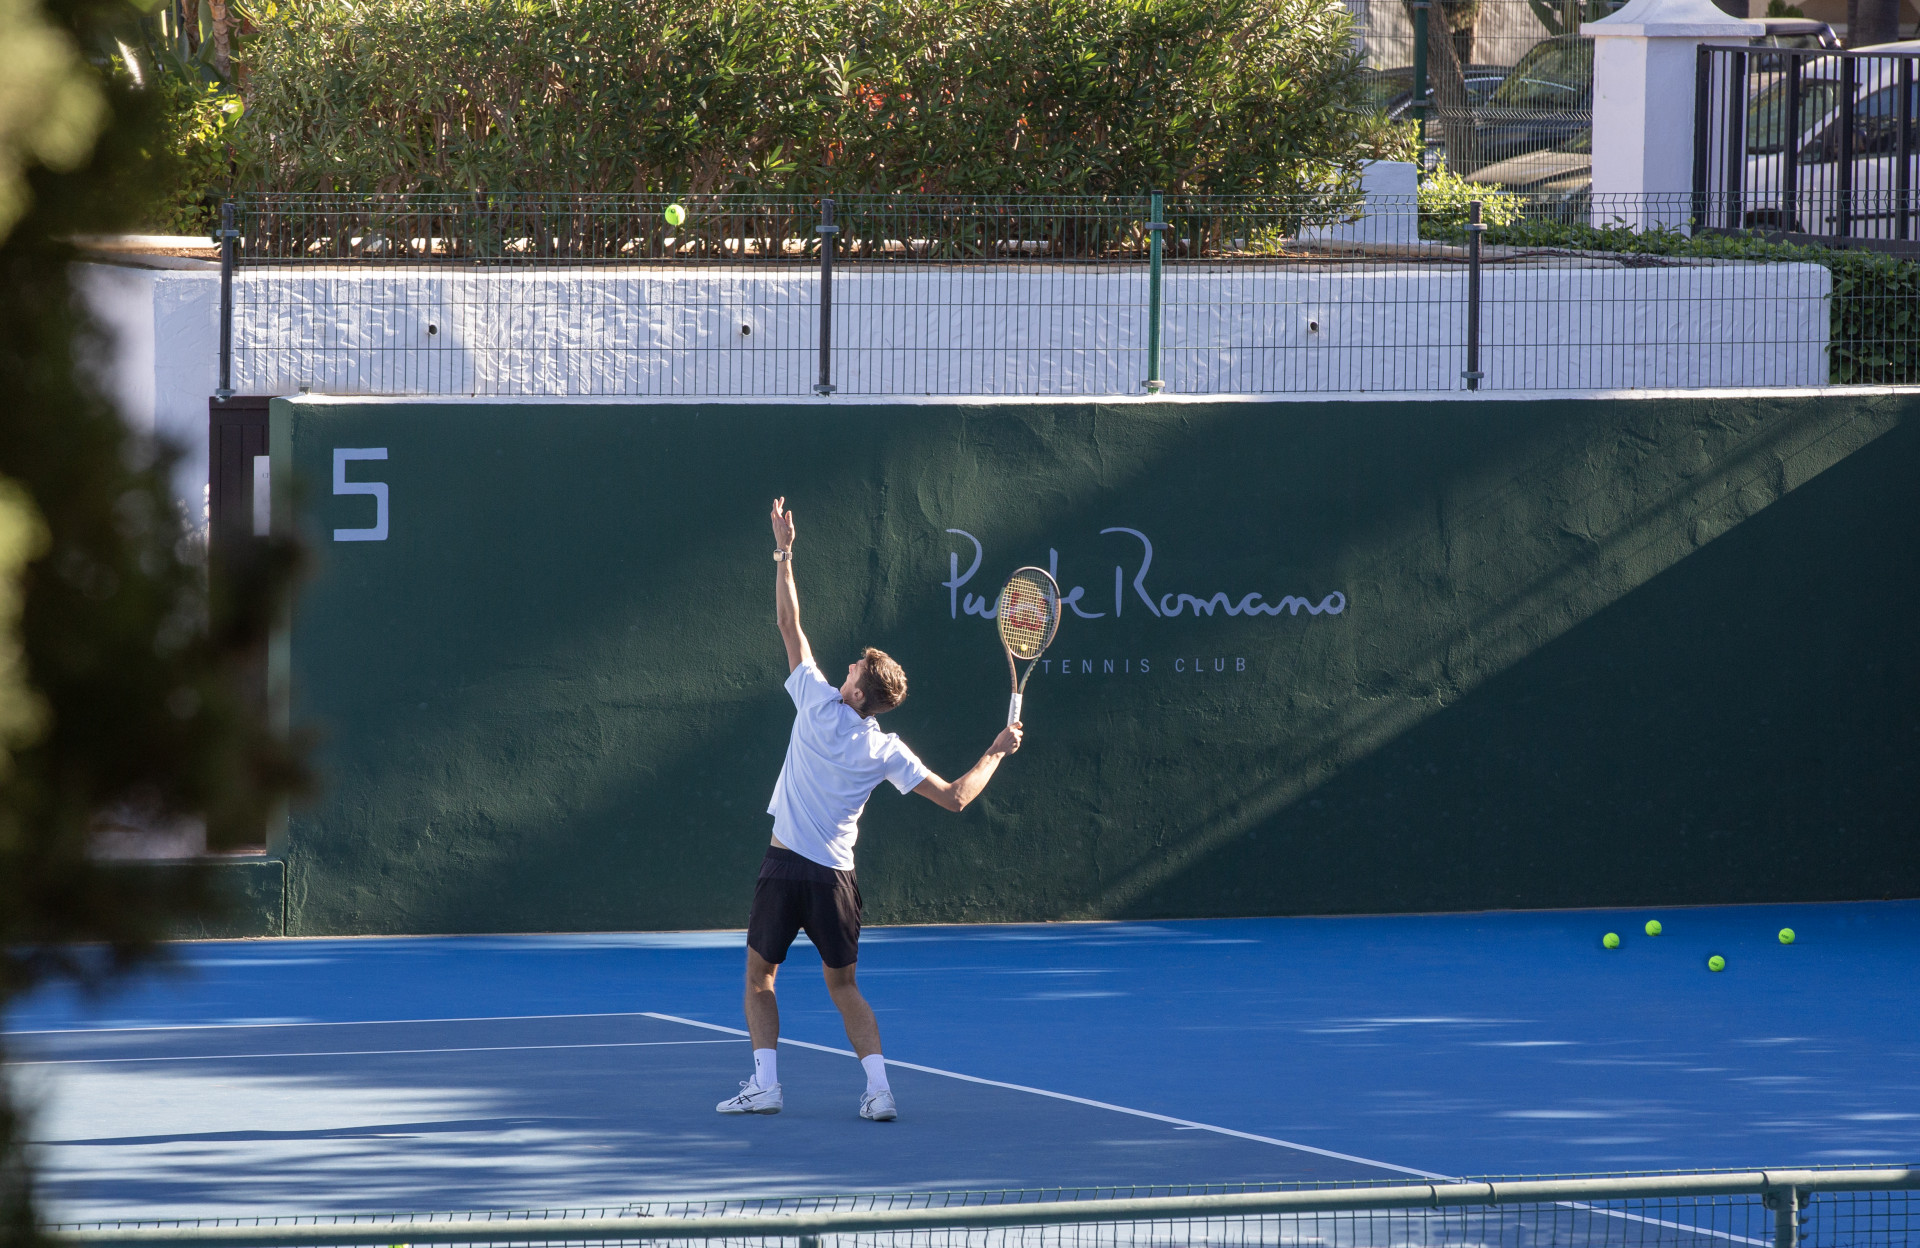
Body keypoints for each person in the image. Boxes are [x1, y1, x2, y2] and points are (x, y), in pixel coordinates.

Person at [717, 497, 1024, 1122]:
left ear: (858, 688)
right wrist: (996, 750)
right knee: (844, 985)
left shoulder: (814, 701)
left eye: (855, 665)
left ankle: (766, 1085)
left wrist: (784, 552)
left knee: (758, 980)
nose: (847, 664)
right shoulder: (886, 749)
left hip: (783, 872)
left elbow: (789, 624)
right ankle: (879, 1091)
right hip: (835, 881)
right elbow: (958, 798)